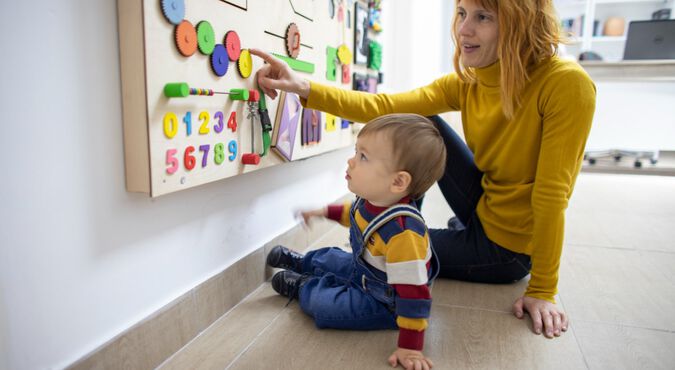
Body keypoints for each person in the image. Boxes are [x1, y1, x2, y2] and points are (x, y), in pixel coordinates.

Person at [253, 0, 597, 341]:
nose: (464, 29)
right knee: (420, 127)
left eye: (483, 17)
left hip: (508, 248)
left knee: (396, 254)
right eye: (462, 13)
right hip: (485, 204)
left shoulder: (566, 84)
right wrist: (303, 88)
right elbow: (383, 106)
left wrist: (544, 289)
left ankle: (317, 278)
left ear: (522, 23)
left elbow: (552, 196)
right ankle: (406, 219)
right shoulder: (471, 80)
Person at [267, 114, 446, 370]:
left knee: (326, 307)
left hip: (384, 302)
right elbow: (352, 215)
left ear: (398, 181)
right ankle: (302, 262)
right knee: (330, 255)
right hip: (364, 271)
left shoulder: (405, 236)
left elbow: (414, 297)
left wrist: (410, 347)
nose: (351, 161)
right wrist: (321, 212)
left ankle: (305, 288)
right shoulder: (372, 200)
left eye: (363, 157)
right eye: (356, 151)